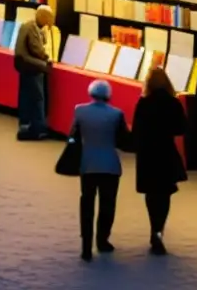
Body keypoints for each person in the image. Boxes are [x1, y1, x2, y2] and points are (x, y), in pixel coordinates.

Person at [71, 79, 130, 262]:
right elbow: (124, 142)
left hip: (87, 164)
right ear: (108, 95)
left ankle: (86, 245)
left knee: (86, 204)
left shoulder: (79, 110)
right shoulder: (116, 114)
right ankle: (102, 240)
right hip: (110, 165)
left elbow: (73, 135)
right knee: (107, 204)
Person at [131, 67, 187, 255]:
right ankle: (158, 231)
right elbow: (181, 128)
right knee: (164, 194)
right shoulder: (173, 103)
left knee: (151, 193)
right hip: (165, 151)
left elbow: (136, 130)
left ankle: (153, 227)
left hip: (148, 153)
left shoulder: (144, 102)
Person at [14, 5, 54, 140]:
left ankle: (24, 126)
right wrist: (47, 57)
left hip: (24, 66)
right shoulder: (32, 28)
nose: (49, 22)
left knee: (25, 96)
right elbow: (36, 49)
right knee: (38, 98)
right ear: (42, 16)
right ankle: (39, 128)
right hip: (33, 66)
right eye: (49, 19)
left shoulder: (28, 26)